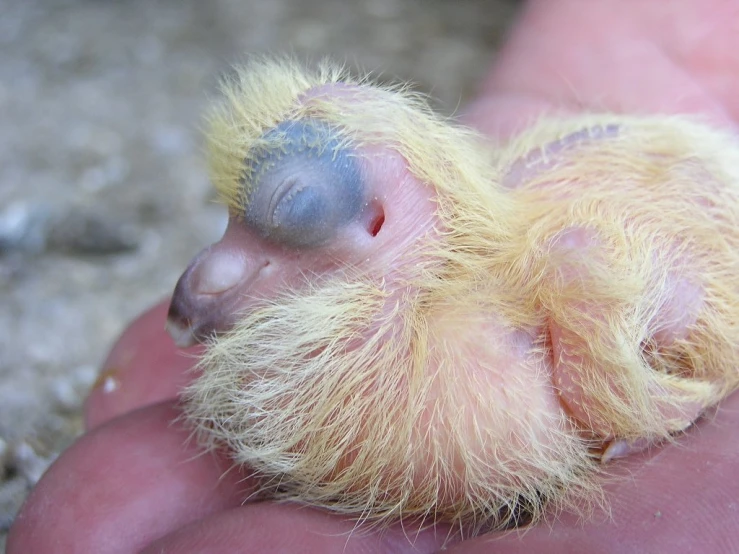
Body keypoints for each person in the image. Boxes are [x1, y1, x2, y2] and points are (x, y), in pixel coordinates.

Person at [9, 1, 739, 551]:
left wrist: (628, 397)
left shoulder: (534, 321)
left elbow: (645, 309)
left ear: (379, 225)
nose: (211, 274)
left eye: (292, 212)